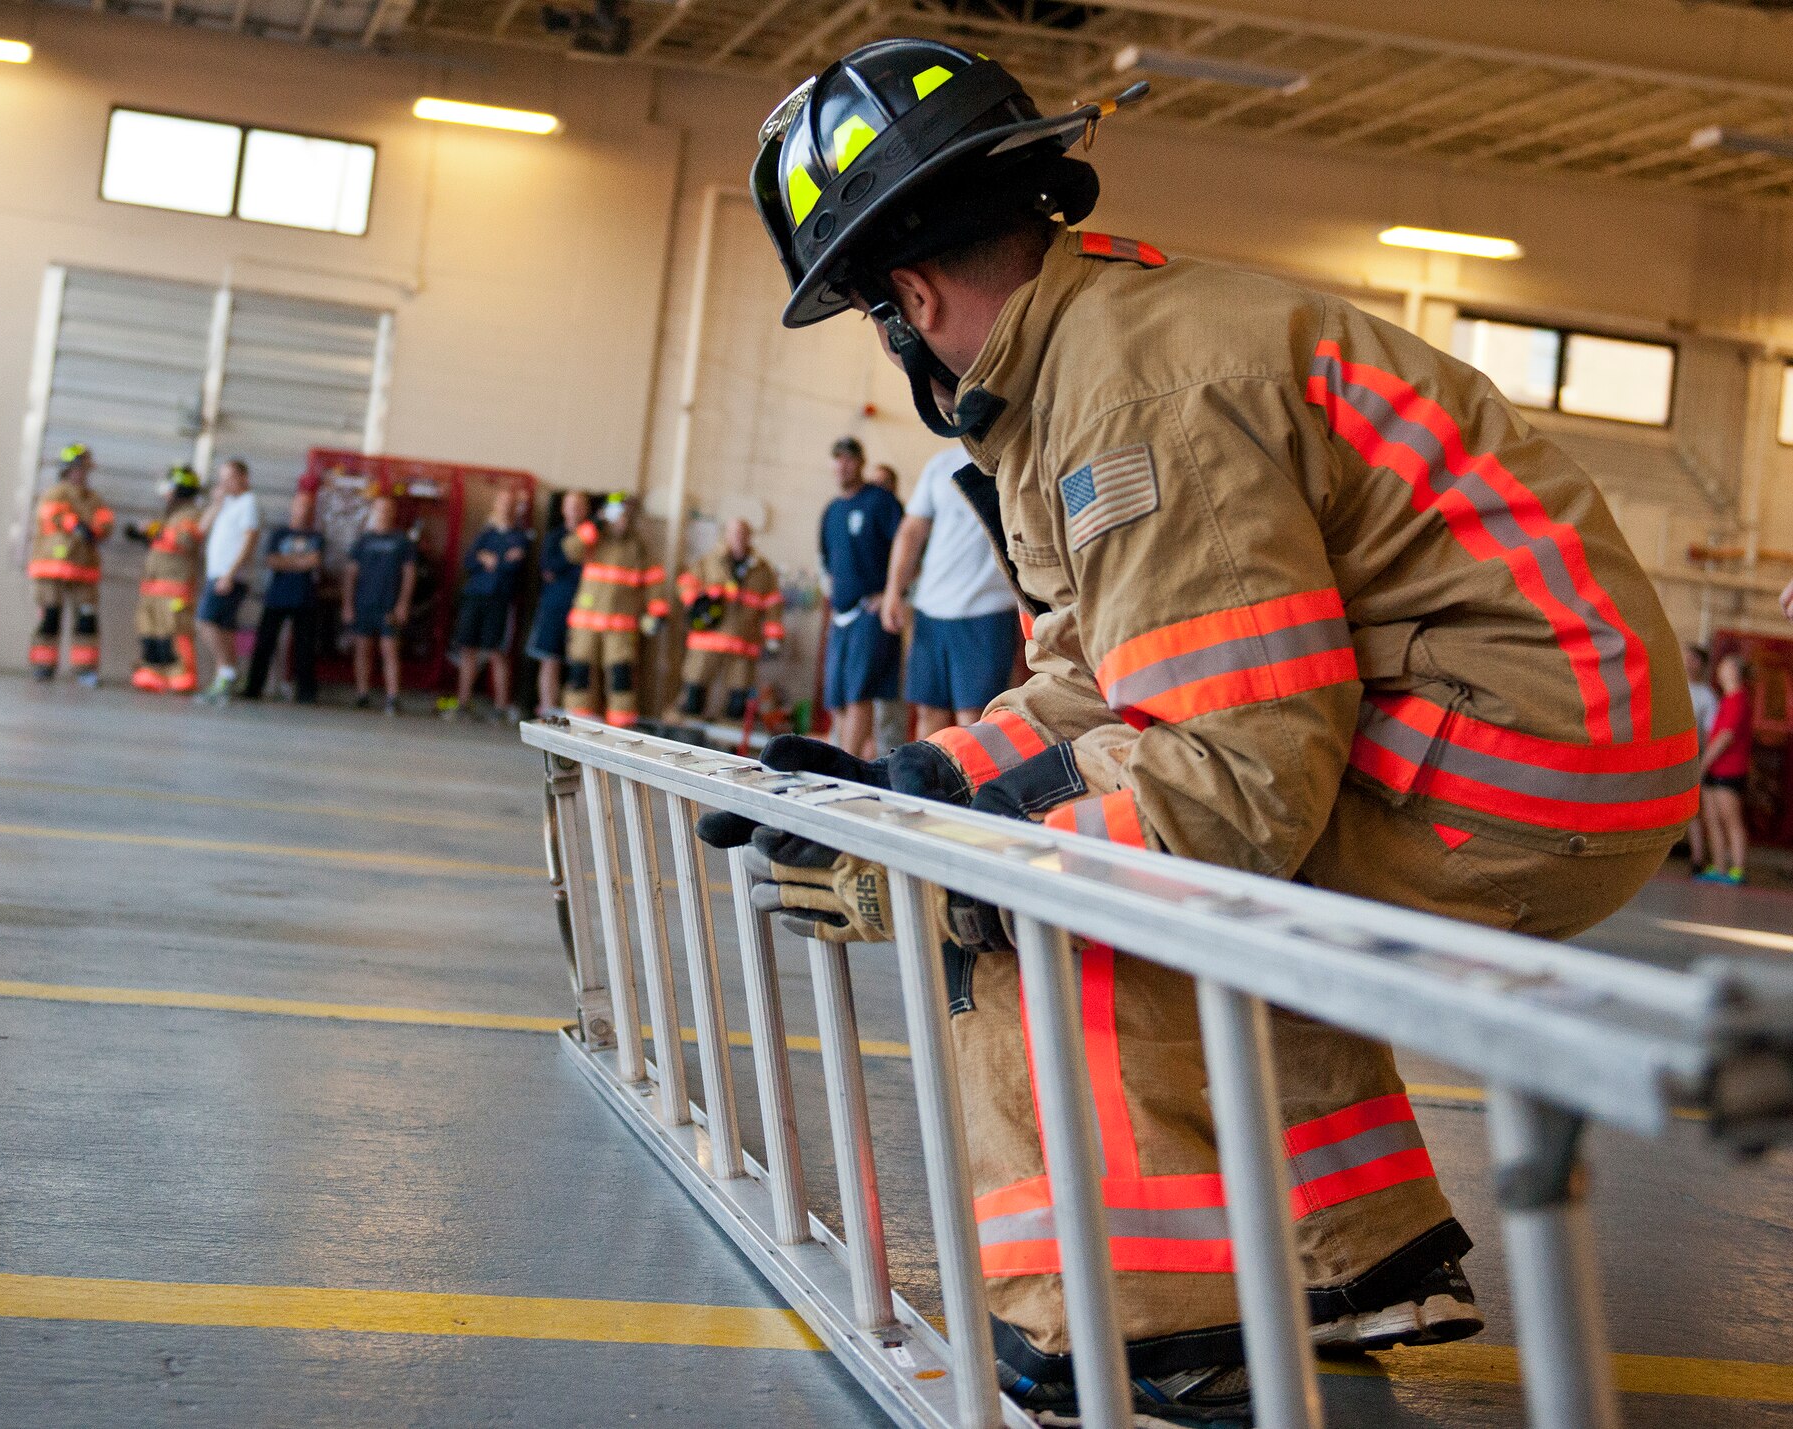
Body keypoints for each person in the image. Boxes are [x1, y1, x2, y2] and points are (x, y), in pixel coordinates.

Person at [720, 40, 1699, 1424]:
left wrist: (955, 866)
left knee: (1050, 901)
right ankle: (1346, 1267)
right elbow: (1100, 681)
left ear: (912, 296)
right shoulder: (1105, 355)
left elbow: (1234, 784)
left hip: (1511, 764)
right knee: (1097, 840)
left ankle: (1139, 1326)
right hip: (1535, 736)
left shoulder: (1130, 409)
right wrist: (925, 778)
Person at [883, 444, 1023, 736]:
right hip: (931, 609)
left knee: (975, 718)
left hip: (987, 610)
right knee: (928, 710)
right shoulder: (941, 463)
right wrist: (893, 591)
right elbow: (911, 531)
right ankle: (922, 782)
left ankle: (974, 784)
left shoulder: (1017, 457)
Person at [819, 435, 904, 758]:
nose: (843, 465)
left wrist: (891, 592)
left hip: (870, 614)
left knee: (859, 694)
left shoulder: (881, 502)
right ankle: (849, 757)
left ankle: (848, 767)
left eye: (849, 458)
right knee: (837, 695)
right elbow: (828, 561)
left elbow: (909, 548)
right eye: (837, 458)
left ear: (860, 463)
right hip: (840, 616)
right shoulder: (832, 510)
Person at [562, 494, 667, 728]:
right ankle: (576, 722)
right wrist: (595, 524)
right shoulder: (594, 539)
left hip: (620, 626)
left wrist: (658, 612)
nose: (621, 521)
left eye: (625, 516)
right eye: (617, 515)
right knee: (580, 672)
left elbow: (655, 582)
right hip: (586, 623)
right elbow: (570, 549)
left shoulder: (638, 548)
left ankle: (621, 727)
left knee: (621, 676)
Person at [665, 517, 785, 724]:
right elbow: (685, 583)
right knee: (694, 692)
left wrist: (774, 638)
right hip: (708, 641)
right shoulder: (709, 562)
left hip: (743, 643)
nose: (738, 538)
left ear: (750, 537)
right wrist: (699, 601)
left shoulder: (762, 570)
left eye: (743, 533)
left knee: (738, 700)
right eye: (734, 533)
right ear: (726, 535)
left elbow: (773, 604)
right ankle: (687, 736)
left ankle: (727, 744)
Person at [26, 444, 113, 685]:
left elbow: (105, 523)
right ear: (67, 469)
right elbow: (54, 514)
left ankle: (85, 670)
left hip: (83, 568)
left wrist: (95, 529)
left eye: (85, 469)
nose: (82, 473)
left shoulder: (93, 499)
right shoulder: (55, 494)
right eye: (77, 468)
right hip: (51, 568)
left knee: (86, 619)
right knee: (50, 617)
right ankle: (43, 666)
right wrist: (75, 524)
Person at [449, 487, 531, 721]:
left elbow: (513, 565)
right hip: (475, 597)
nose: (505, 507)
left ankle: (501, 706)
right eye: (502, 502)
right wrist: (491, 559)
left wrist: (491, 559)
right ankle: (463, 703)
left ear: (515, 508)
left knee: (497, 651)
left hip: (500, 600)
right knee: (468, 648)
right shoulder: (486, 534)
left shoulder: (520, 537)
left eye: (510, 503)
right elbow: (469, 560)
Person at [124, 465, 206, 694]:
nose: (166, 493)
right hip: (152, 589)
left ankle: (182, 678)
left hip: (174, 589)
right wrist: (142, 535)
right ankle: (152, 675)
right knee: (151, 634)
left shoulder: (191, 515)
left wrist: (156, 531)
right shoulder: (169, 517)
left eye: (170, 488)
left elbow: (186, 541)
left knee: (176, 633)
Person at [242, 487, 325, 705]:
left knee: (304, 648)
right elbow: (272, 561)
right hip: (276, 597)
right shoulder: (279, 534)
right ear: (292, 507)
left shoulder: (315, 537)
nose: (303, 510)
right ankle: (253, 687)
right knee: (264, 644)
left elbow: (314, 561)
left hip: (304, 599)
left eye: (308, 507)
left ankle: (306, 692)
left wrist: (288, 562)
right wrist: (300, 562)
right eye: (300, 505)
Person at [341, 489, 417, 716]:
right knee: (362, 648)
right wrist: (348, 604)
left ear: (393, 513)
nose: (382, 513)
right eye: (379, 509)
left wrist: (403, 604)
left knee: (389, 649)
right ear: (373, 512)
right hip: (364, 603)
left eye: (387, 509)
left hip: (389, 605)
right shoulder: (363, 541)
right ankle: (362, 694)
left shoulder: (402, 541)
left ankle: (393, 697)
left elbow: (409, 574)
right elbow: (350, 574)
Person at [196, 458, 261, 701]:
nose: (225, 483)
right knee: (223, 627)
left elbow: (249, 540)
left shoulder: (249, 503)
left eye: (230, 478)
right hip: (217, 573)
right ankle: (228, 676)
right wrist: (216, 502)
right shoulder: (228, 504)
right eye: (221, 479)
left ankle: (227, 672)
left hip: (229, 575)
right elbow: (201, 529)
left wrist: (231, 573)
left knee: (206, 622)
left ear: (244, 478)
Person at [526, 490, 590, 715]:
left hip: (584, 608)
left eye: (579, 506)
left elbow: (590, 572)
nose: (574, 510)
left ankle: (574, 709)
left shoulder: (593, 538)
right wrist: (572, 561)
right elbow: (549, 568)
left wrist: (567, 567)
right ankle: (548, 708)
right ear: (563, 509)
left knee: (579, 659)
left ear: (586, 510)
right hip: (554, 606)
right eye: (570, 505)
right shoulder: (554, 537)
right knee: (549, 657)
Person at [1698, 651, 1753, 885]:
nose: (1720, 668)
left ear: (1736, 672)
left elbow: (1725, 737)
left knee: (1731, 819)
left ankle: (1737, 869)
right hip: (1714, 769)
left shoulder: (1739, 699)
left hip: (1729, 769)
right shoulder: (1725, 699)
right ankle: (1719, 866)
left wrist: (1704, 763)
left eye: (1726, 666)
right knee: (1712, 819)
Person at [1684, 644, 1720, 873]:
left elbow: (1709, 734)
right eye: (1687, 658)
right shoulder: (1675, 687)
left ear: (1702, 665)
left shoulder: (1707, 696)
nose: (1689, 663)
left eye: (1695, 660)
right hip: (1667, 754)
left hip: (1692, 757)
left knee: (1692, 810)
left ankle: (1697, 858)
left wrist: (1702, 763)